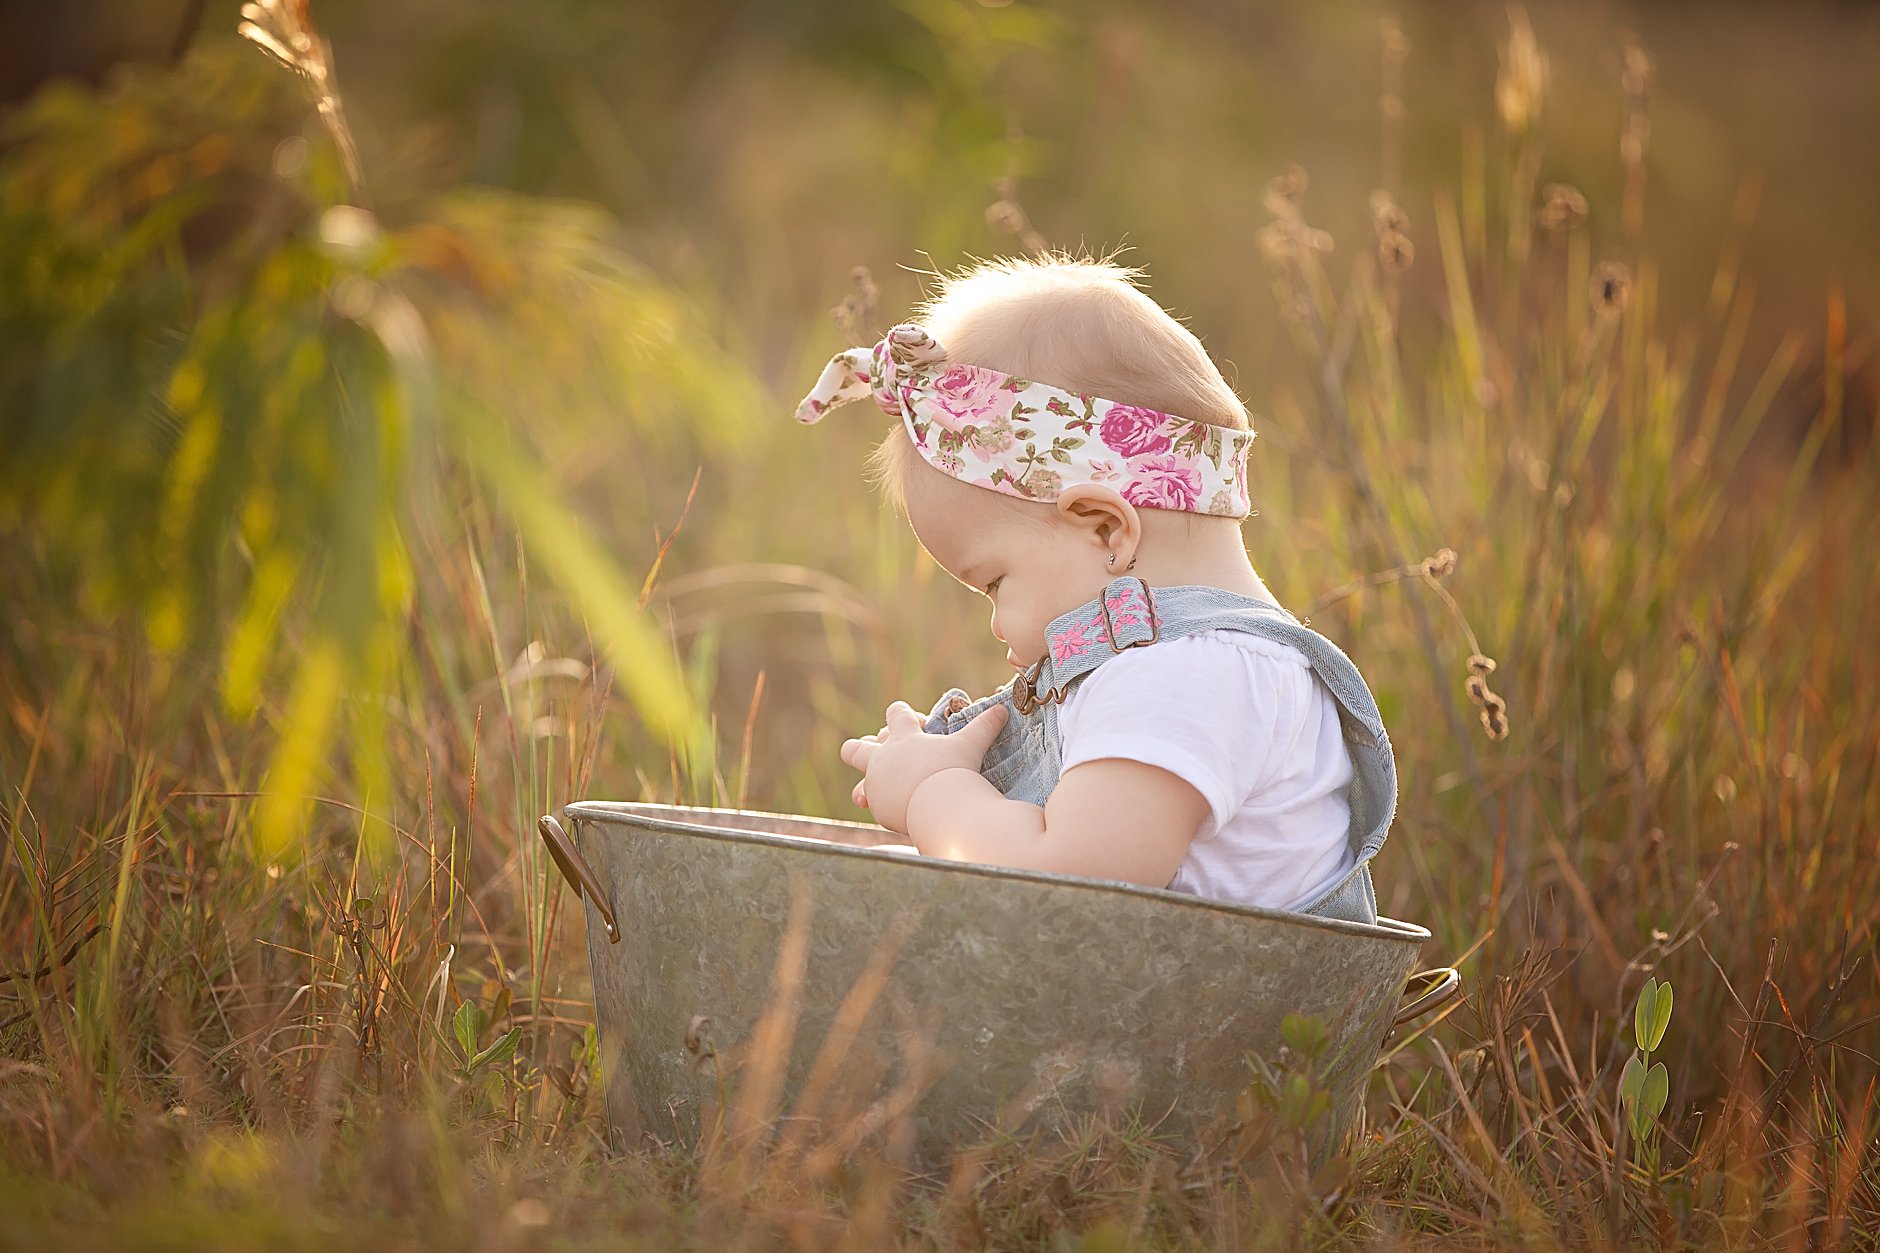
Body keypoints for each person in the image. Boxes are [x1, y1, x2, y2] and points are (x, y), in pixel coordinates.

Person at [796, 251, 1396, 923]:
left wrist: (932, 790)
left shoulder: (1181, 677)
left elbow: (1063, 891)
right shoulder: (1191, 668)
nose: (997, 626)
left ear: (1107, 528)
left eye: (995, 583)